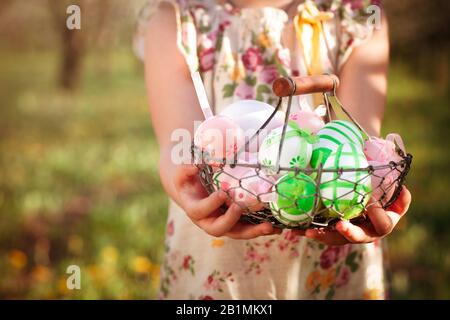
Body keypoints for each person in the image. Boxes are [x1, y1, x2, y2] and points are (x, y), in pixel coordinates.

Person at [137, 0, 412, 299]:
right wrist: (184, 185)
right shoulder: (176, 20)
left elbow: (357, 143)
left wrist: (373, 191)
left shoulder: (356, 16)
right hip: (217, 269)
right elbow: (178, 147)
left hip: (333, 258)